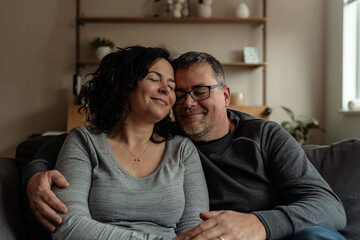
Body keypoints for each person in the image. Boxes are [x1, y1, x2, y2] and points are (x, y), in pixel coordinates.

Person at [23, 51, 346, 240]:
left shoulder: (263, 136)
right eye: (179, 92)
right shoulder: (168, 136)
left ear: (225, 94)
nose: (186, 102)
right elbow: (66, 143)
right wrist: (35, 171)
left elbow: (330, 209)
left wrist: (260, 223)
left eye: (201, 91)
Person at [23, 46, 209, 240]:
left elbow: (195, 229)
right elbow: (68, 225)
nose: (165, 90)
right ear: (123, 84)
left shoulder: (182, 150)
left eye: (172, 87)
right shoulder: (85, 141)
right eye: (154, 79)